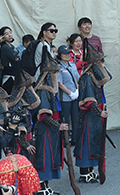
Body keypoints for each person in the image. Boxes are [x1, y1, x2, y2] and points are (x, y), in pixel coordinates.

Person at [75, 39, 110, 183]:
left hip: (94, 116)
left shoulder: (94, 76)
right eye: (99, 62)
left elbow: (107, 77)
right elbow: (88, 100)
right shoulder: (87, 78)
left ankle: (90, 170)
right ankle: (85, 172)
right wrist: (99, 112)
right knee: (86, 142)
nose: (102, 65)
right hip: (88, 116)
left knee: (93, 142)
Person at [33, 54, 67, 195]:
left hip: (50, 131)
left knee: (50, 158)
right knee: (45, 158)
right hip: (45, 131)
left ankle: (46, 187)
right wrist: (58, 126)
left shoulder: (50, 90)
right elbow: (44, 116)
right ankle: (41, 188)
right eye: (55, 72)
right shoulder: (44, 91)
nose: (57, 75)